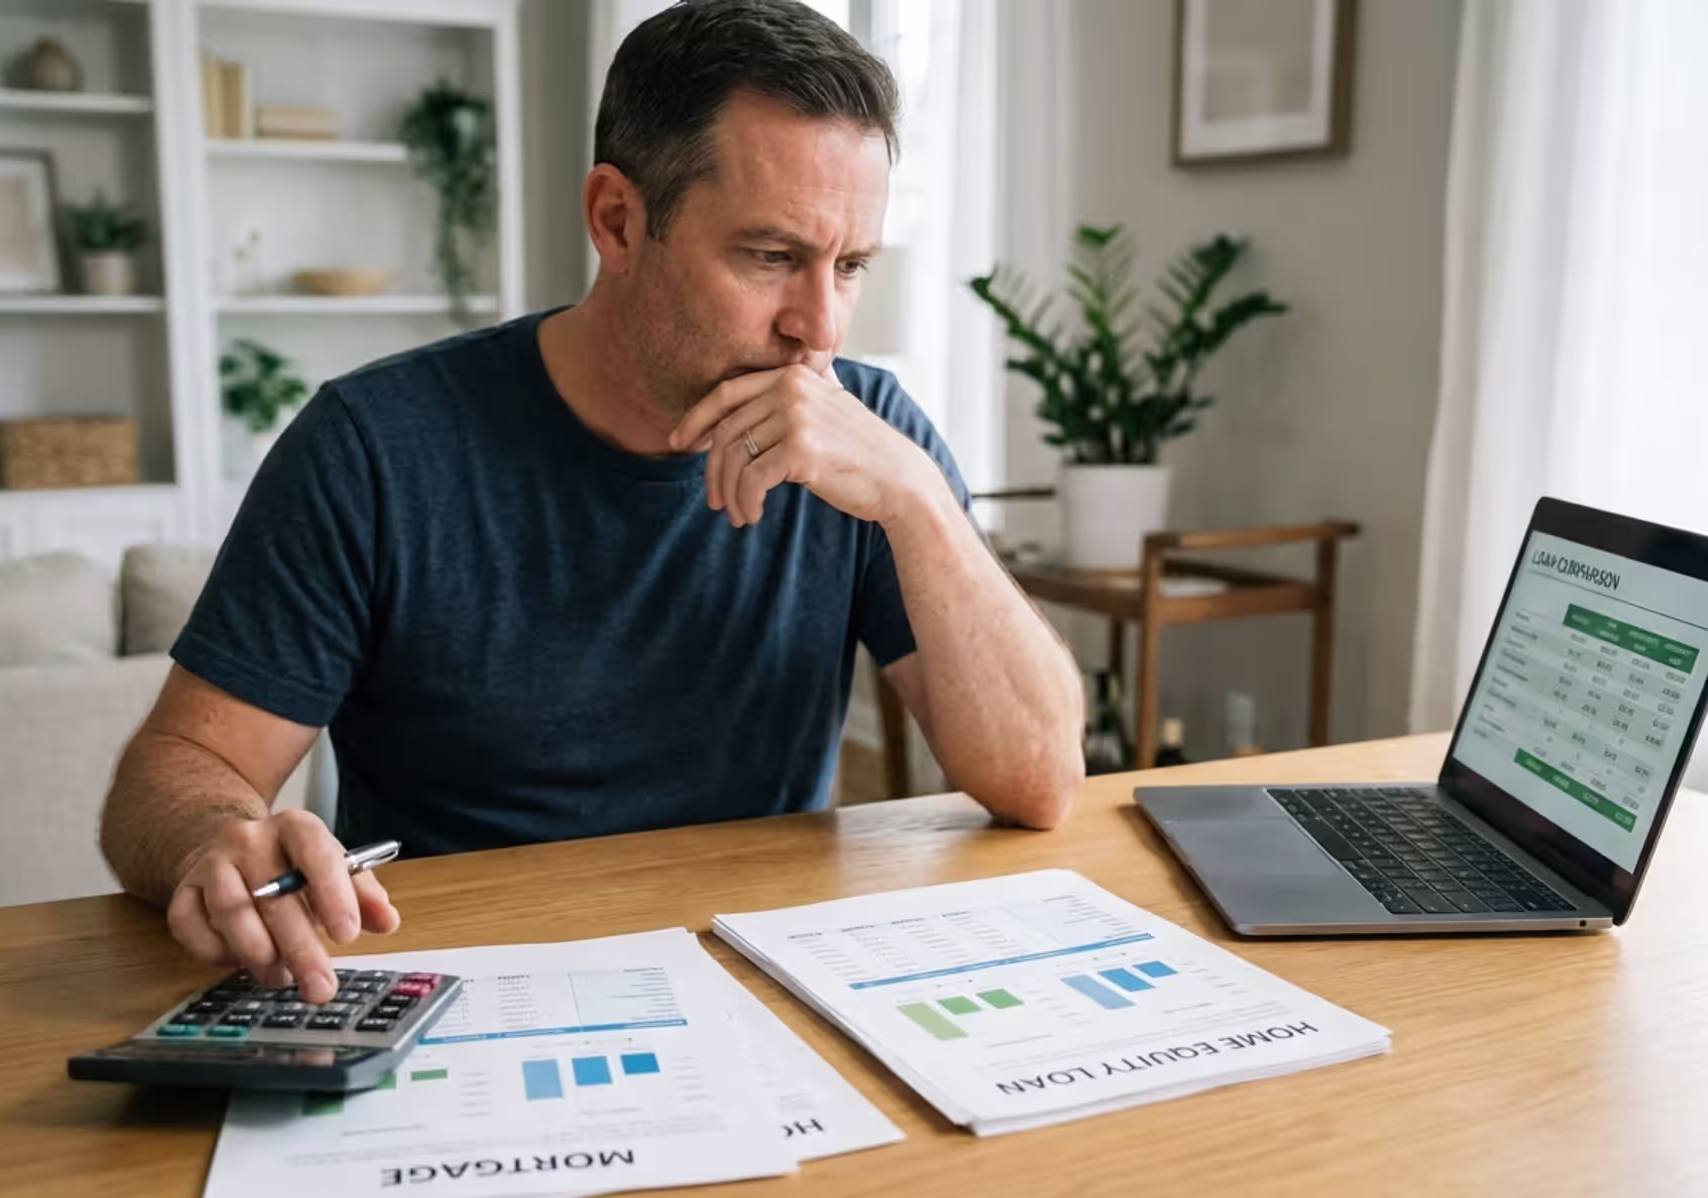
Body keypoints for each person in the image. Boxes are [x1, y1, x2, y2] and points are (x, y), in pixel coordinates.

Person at [101, 0, 1085, 1005]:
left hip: (764, 981)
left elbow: (1041, 781)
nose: (820, 328)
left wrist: (919, 502)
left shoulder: (868, 437)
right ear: (618, 220)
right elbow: (178, 767)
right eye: (771, 256)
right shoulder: (374, 446)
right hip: (461, 991)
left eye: (852, 266)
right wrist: (216, 838)